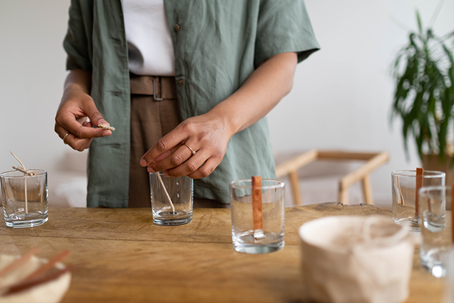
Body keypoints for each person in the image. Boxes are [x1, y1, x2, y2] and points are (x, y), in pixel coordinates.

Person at [54, 0, 319, 208]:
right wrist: (73, 91)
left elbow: (283, 61)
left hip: (228, 128)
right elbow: (82, 62)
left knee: (235, 260)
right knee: (126, 263)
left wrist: (223, 123)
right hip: (122, 134)